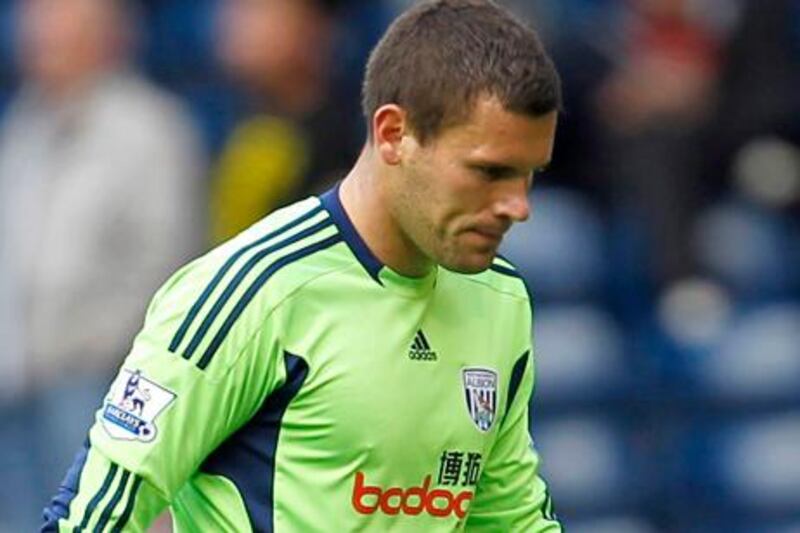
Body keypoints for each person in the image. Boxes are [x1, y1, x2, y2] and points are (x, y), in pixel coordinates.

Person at [42, 0, 562, 530]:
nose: (517, 206)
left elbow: (511, 520)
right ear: (392, 134)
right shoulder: (250, 291)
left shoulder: (500, 299)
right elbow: (94, 516)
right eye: (488, 171)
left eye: (528, 175)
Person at [0, 0, 203, 528]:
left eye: (60, 21)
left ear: (108, 35)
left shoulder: (151, 128)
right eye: (37, 21)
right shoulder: (25, 122)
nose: (41, 34)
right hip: (17, 379)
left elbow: (166, 261)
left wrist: (91, 346)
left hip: (97, 383)